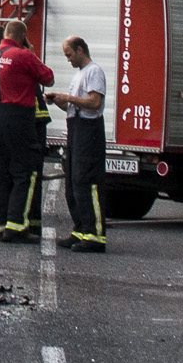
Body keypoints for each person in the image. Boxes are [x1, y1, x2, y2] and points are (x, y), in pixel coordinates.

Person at [0, 18, 51, 242]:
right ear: (22, 37)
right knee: (26, 170)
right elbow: (48, 78)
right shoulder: (23, 56)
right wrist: (30, 52)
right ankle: (16, 224)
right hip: (17, 117)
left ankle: (0, 224)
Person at [58, 30, 112, 251]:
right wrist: (60, 101)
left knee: (87, 180)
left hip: (89, 131)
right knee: (73, 181)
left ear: (80, 50)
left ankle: (95, 235)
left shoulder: (94, 72)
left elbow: (93, 102)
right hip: (75, 128)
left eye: (69, 54)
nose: (68, 59)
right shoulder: (79, 74)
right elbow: (75, 105)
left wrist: (69, 98)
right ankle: (80, 228)